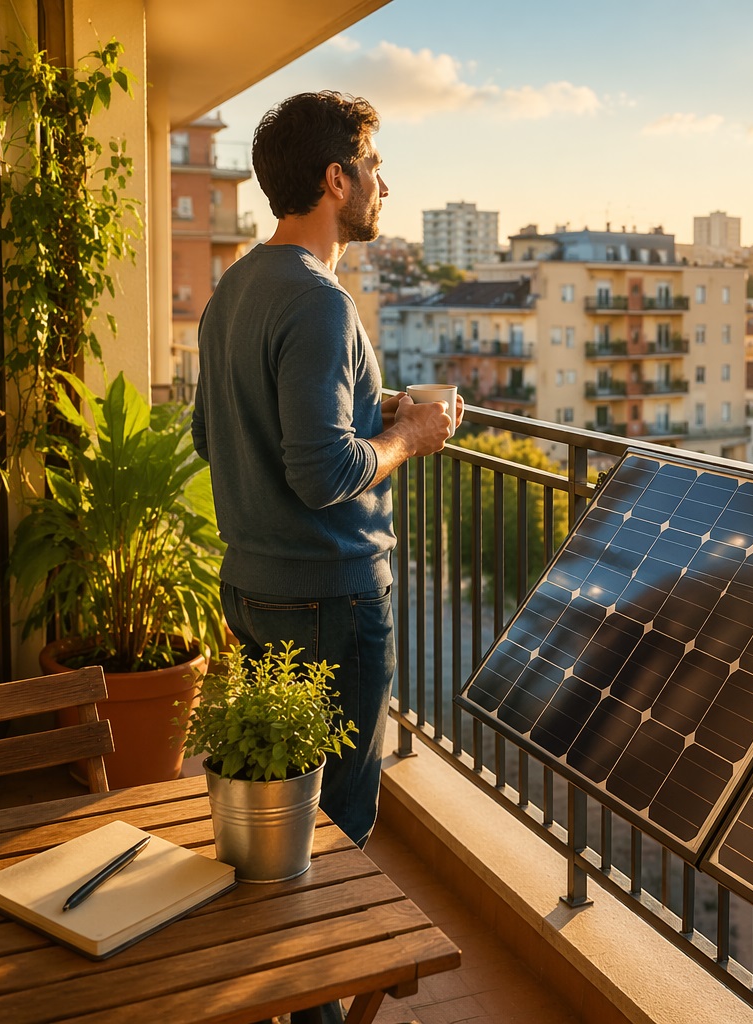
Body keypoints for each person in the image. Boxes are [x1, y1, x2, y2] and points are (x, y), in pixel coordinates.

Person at [192, 93, 457, 868]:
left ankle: (281, 980)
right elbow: (325, 471)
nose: (385, 184)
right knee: (335, 826)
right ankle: (319, 991)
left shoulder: (235, 290)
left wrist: (380, 405)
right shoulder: (320, 302)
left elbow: (214, 434)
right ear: (337, 180)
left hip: (251, 587)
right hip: (326, 599)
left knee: (280, 813)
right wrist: (411, 433)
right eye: (375, 166)